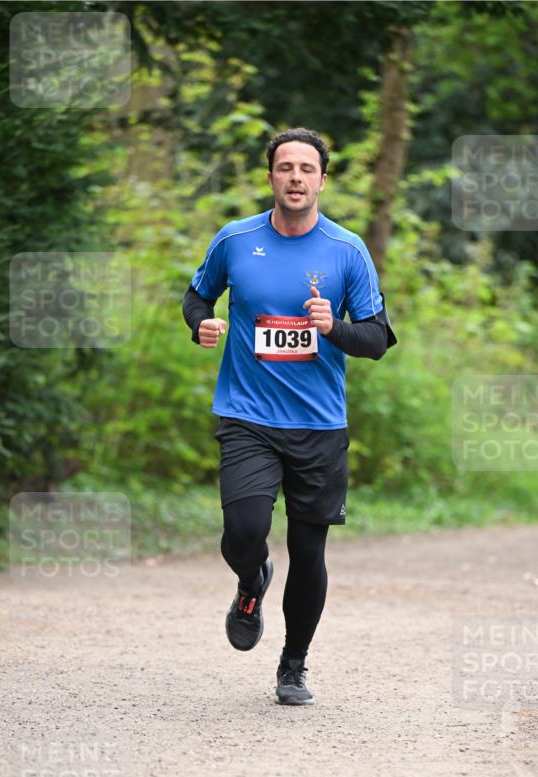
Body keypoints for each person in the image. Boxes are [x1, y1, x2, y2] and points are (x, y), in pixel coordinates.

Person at [182, 127, 396, 706]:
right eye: (285, 168)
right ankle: (251, 581)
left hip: (318, 425)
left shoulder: (347, 251)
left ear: (322, 180)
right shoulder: (236, 240)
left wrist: (335, 329)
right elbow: (196, 295)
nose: (296, 177)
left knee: (310, 552)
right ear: (271, 176)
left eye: (307, 169)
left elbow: (377, 339)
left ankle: (293, 665)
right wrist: (200, 322)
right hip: (247, 415)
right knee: (244, 532)